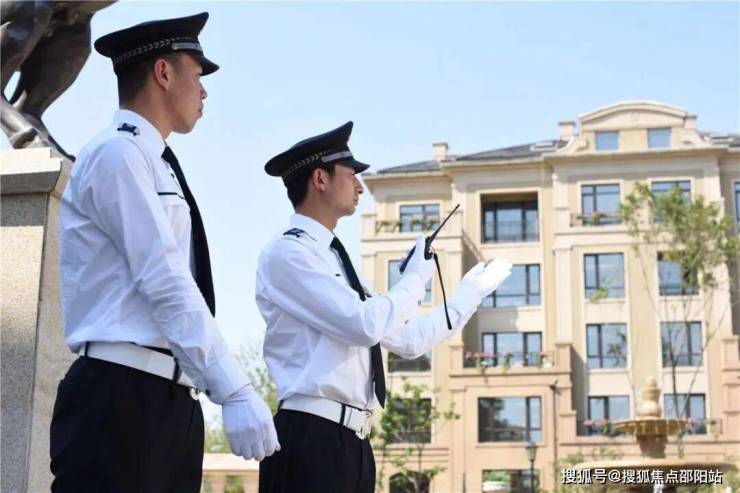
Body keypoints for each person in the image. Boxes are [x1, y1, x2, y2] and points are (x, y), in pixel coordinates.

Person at [51, 13, 278, 493]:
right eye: (197, 72)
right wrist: (233, 386)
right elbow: (163, 276)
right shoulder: (117, 154)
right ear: (163, 72)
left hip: (170, 399)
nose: (204, 90)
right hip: (120, 394)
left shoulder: (156, 163)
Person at [256, 121, 513, 492]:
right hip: (310, 437)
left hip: (354, 443)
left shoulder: (338, 262)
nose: (360, 187)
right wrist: (415, 279)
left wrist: (468, 295)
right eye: (351, 175)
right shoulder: (289, 254)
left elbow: (407, 340)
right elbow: (364, 325)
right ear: (320, 179)